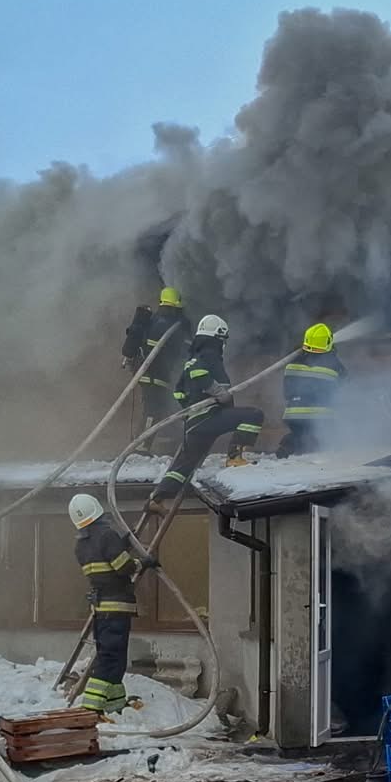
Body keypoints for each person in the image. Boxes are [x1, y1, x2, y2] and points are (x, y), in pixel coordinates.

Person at [148, 314, 264, 508]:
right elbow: (199, 373)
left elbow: (178, 391)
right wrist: (219, 393)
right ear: (217, 337)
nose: (223, 344)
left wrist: (188, 409)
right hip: (210, 417)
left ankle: (157, 498)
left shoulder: (192, 358)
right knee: (254, 415)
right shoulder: (209, 353)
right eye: (223, 339)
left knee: (184, 465)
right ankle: (235, 457)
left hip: (195, 423)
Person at [69, 492, 150, 715]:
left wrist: (123, 543)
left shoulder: (82, 545)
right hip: (116, 608)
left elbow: (103, 557)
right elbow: (122, 566)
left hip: (101, 610)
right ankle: (91, 709)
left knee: (114, 658)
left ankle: (114, 705)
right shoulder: (107, 536)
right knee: (111, 659)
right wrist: (143, 563)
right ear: (97, 511)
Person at [122, 285, 189, 438]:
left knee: (158, 409)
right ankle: (142, 445)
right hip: (156, 375)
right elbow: (183, 350)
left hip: (146, 372)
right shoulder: (170, 324)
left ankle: (156, 440)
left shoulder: (153, 320)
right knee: (153, 411)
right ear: (176, 305)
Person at [276, 322, 345, 458]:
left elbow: (286, 392)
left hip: (292, 414)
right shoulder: (333, 363)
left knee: (299, 434)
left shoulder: (293, 362)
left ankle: (288, 446)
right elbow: (345, 387)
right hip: (320, 415)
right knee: (324, 437)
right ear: (328, 342)